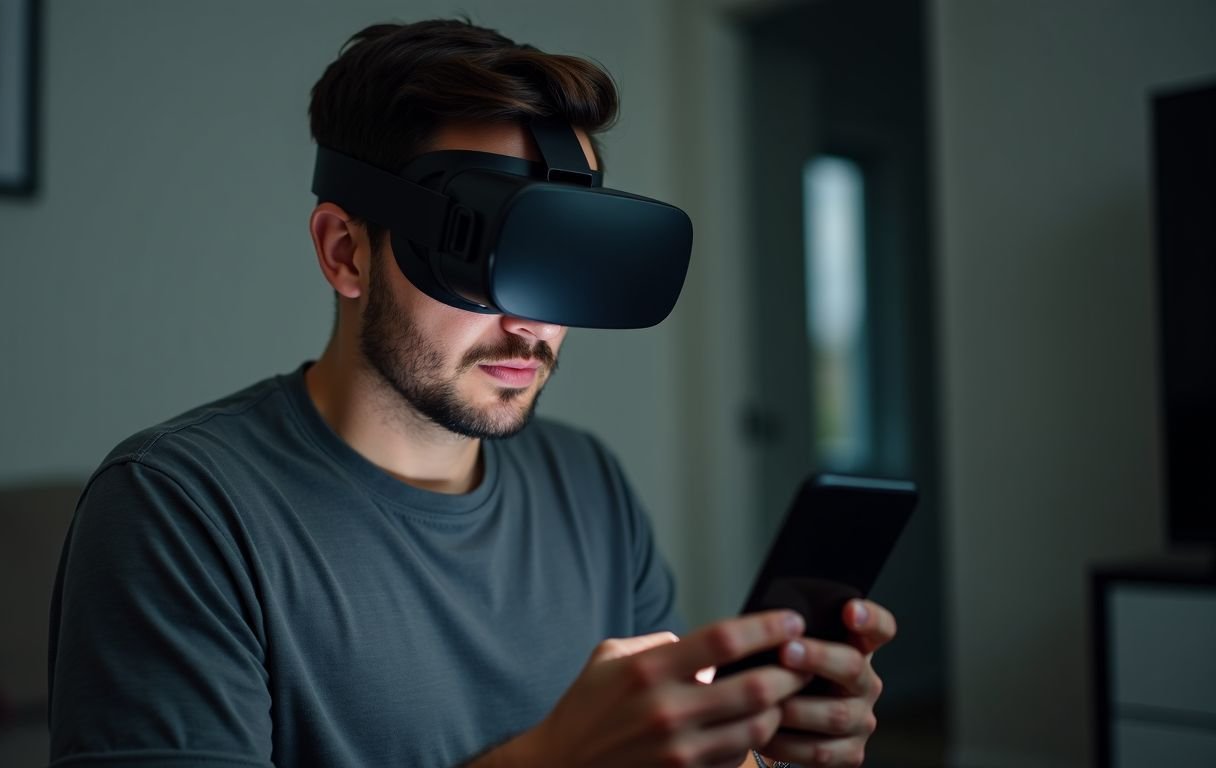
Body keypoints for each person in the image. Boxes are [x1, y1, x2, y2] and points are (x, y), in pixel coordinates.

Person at [47, 19, 895, 768]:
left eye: (565, 260)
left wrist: (763, 755)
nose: (531, 322)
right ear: (346, 251)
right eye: (481, 256)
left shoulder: (586, 484)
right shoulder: (180, 507)